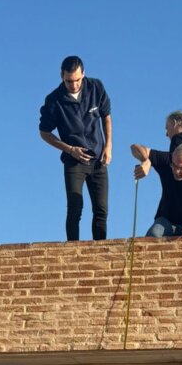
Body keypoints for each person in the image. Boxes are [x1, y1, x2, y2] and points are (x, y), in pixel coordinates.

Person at [38, 56, 112, 242]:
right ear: (62, 77)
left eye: (77, 80)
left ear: (83, 74)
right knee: (75, 206)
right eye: (69, 81)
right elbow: (44, 132)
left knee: (101, 209)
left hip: (98, 159)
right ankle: (73, 250)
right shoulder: (54, 100)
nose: (74, 84)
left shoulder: (96, 87)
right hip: (74, 161)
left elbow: (106, 115)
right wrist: (70, 149)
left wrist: (108, 145)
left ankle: (100, 248)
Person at [131, 109, 182, 176]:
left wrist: (146, 161)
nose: (166, 134)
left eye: (167, 128)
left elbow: (135, 147)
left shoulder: (178, 138)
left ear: (174, 123)